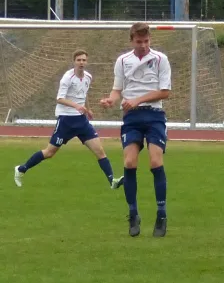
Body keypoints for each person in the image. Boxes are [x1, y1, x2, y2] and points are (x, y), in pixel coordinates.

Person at [100, 22, 171, 238]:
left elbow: (165, 92)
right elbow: (117, 90)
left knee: (155, 161)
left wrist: (137, 100)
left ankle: (161, 214)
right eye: (139, 42)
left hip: (154, 115)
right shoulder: (122, 61)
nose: (143, 45)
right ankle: (133, 214)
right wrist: (110, 100)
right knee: (129, 162)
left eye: (146, 41)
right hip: (131, 117)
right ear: (131, 40)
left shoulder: (160, 59)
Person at [14, 49, 124, 190]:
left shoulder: (88, 77)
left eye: (84, 60)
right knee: (49, 152)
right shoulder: (67, 78)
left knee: (100, 151)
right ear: (74, 62)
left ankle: (112, 181)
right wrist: (77, 106)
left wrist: (88, 109)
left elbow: (84, 94)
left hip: (81, 122)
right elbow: (60, 98)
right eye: (79, 60)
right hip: (66, 121)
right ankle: (21, 169)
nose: (81, 62)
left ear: (87, 61)